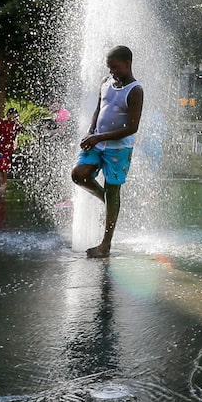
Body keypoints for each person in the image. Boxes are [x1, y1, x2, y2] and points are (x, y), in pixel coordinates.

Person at [72, 46, 143, 259]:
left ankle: (105, 244)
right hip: (97, 142)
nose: (112, 71)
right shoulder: (105, 82)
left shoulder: (135, 90)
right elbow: (98, 108)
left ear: (128, 64)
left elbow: (132, 128)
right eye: (109, 67)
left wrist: (99, 137)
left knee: (114, 190)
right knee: (78, 175)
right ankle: (109, 202)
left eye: (115, 67)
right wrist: (91, 131)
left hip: (118, 149)